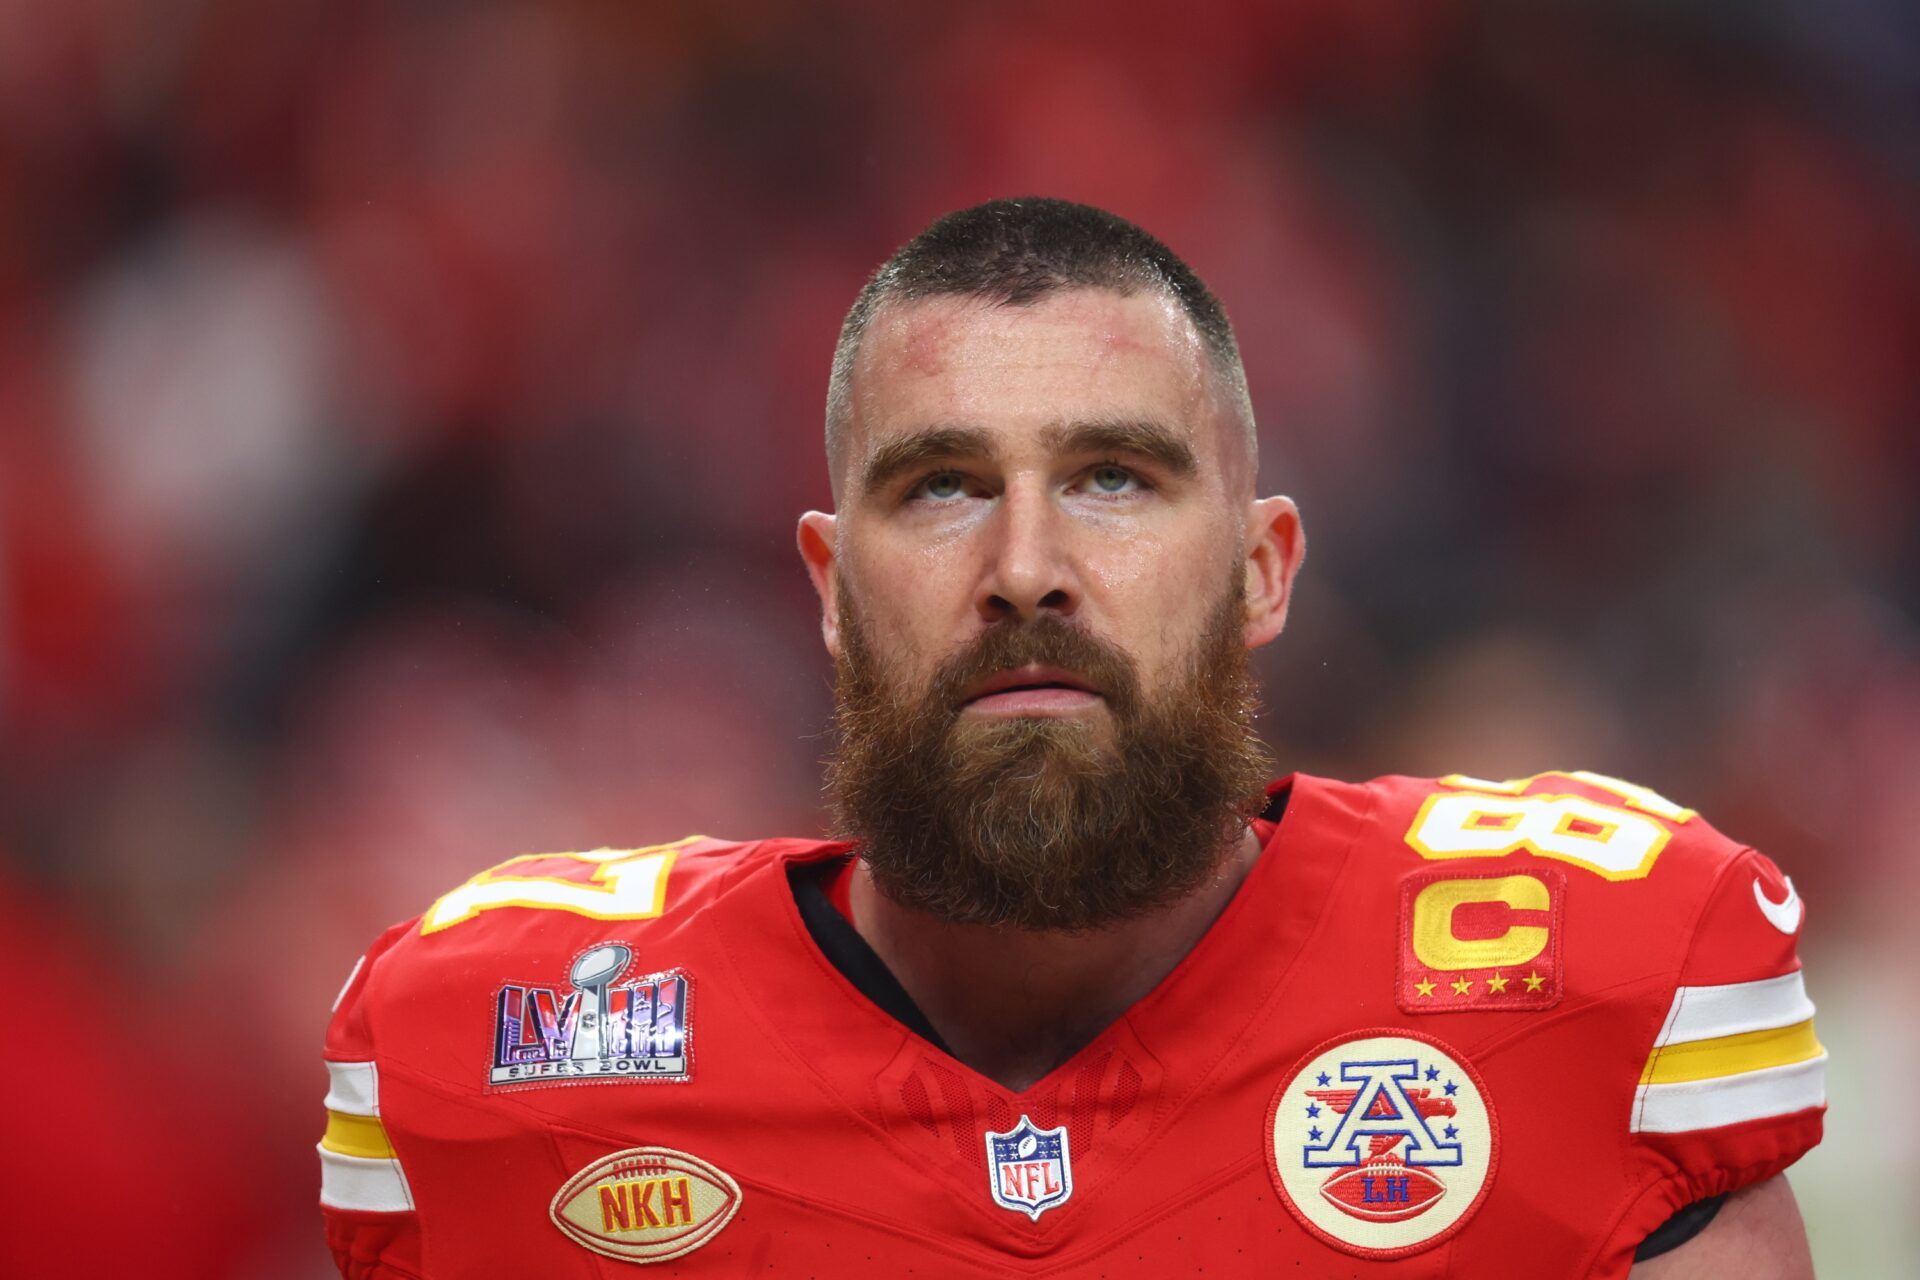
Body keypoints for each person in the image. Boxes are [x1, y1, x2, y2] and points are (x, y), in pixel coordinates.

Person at [318, 199, 1823, 1277]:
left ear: (1262, 570)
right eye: (941, 487)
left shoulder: (1588, 982)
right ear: (833, 594)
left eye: (1114, 478)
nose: (1026, 562)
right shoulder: (507, 1056)